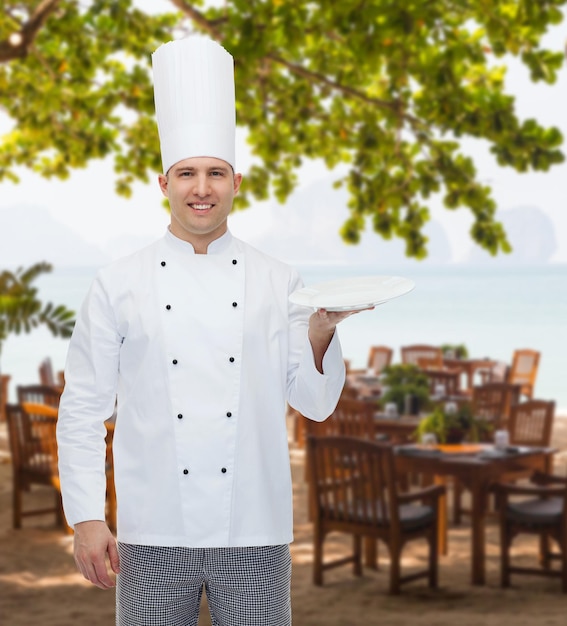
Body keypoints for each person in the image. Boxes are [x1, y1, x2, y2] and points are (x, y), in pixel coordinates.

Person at [56, 35, 367, 626]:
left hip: (255, 526)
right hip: (151, 529)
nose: (202, 188)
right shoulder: (117, 282)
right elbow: (83, 409)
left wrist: (322, 334)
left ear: (237, 183)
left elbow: (315, 405)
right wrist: (87, 518)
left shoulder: (282, 279)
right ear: (163, 182)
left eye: (216, 173)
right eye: (188, 173)